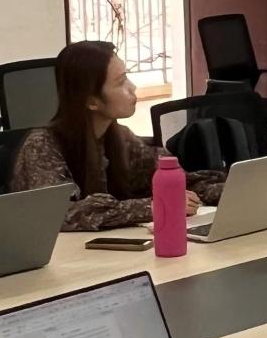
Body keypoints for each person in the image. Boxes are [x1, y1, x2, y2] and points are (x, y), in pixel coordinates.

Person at [11, 41, 224, 233]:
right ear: (91, 101)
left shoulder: (120, 138)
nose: (132, 87)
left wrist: (229, 191)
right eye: (121, 82)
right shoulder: (41, 146)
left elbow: (180, 181)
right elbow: (59, 214)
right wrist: (155, 206)